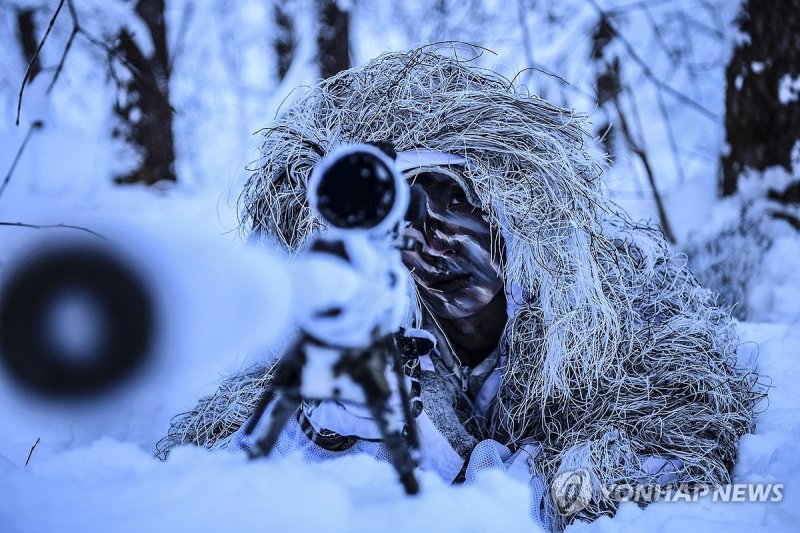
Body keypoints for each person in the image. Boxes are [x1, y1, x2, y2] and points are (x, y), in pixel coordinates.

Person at [158, 46, 760, 531]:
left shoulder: (617, 306)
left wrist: (470, 473)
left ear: (513, 209)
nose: (432, 241)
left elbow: (673, 469)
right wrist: (330, 441)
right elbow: (207, 486)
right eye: (404, 221)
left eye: (454, 199)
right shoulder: (354, 325)